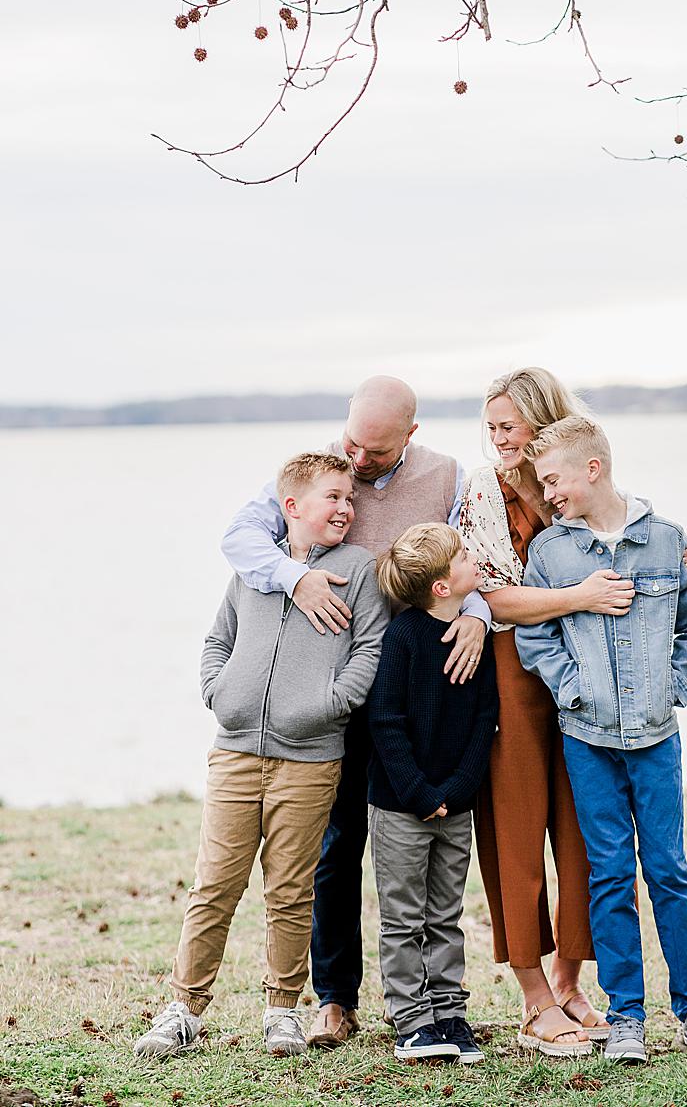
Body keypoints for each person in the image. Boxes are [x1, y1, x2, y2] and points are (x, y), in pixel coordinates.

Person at [220, 376, 490, 1048]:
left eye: (373, 450)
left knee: (422, 856)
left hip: (413, 684)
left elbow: (470, 560)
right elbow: (241, 538)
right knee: (337, 847)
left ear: (410, 436)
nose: (358, 460)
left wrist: (479, 613)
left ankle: (434, 1001)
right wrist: (297, 577)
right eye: (350, 442)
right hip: (338, 688)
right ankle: (336, 999)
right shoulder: (323, 475)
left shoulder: (448, 478)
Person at [458, 368, 687, 1057]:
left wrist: (682, 562)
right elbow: (497, 599)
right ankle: (535, 996)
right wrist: (581, 598)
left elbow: (641, 556)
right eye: (492, 428)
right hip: (514, 675)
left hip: (606, 684)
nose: (498, 439)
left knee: (584, 837)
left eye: (508, 426)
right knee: (515, 830)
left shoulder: (571, 476)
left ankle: (571, 983)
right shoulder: (484, 491)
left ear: (543, 425)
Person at [134, 454, 389, 1060]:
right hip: (235, 752)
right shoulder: (253, 568)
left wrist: (330, 704)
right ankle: (184, 1010)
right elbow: (218, 638)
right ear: (292, 507)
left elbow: (369, 647)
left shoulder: (359, 570)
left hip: (312, 757)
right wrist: (220, 693)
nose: (346, 509)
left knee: (292, 889)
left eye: (350, 499)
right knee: (214, 884)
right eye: (333, 497)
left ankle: (281, 1011)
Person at [516, 415, 687, 1064]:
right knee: (610, 875)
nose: (549, 493)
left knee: (669, 872)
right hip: (587, 738)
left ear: (594, 469)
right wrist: (571, 687)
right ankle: (627, 1018)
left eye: (554, 480)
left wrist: (672, 688)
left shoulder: (668, 541)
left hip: (656, 738)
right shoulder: (551, 554)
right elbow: (537, 636)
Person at [368, 524, 499, 1064]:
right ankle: (411, 1021)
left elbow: (486, 717)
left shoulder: (474, 635)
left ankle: (449, 1013)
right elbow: (385, 721)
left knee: (445, 914)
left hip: (456, 803)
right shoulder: (401, 637)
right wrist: (421, 793)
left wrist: (460, 788)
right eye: (465, 556)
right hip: (402, 805)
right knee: (403, 917)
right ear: (443, 585)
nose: (474, 559)